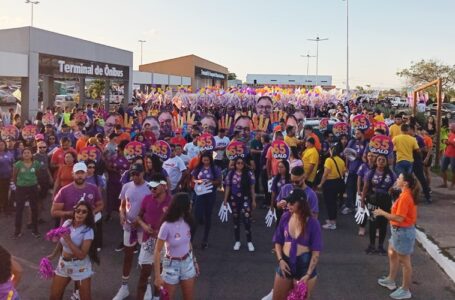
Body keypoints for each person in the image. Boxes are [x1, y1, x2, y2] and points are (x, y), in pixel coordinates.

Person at [374, 173, 419, 300]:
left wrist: (382, 213)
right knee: (392, 252)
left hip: (402, 232)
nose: (397, 179)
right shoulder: (405, 193)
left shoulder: (405, 196)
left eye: (399, 178)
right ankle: (390, 280)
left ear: (405, 183)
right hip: (398, 232)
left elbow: (399, 218)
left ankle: (405, 290)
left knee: (404, 261)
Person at [272, 189, 322, 299]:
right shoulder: (285, 217)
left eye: (292, 202)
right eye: (288, 201)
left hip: (304, 268)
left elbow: (316, 253)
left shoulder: (313, 223)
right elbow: (278, 241)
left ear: (302, 203)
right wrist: (280, 260)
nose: (288, 205)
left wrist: (308, 274)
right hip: (285, 264)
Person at [113, 164, 151, 300]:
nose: (134, 176)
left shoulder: (149, 188)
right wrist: (122, 214)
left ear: (143, 173)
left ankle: (147, 286)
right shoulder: (126, 186)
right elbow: (122, 205)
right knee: (128, 256)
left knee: (146, 260)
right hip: (129, 227)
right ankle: (124, 287)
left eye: (137, 174)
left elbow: (151, 210)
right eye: (132, 174)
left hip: (144, 229)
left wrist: (141, 221)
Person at [49, 201, 99, 300]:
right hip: (63, 265)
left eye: (84, 212)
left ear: (88, 215)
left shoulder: (88, 231)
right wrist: (53, 255)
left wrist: (68, 240)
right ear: (74, 212)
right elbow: (61, 240)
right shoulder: (67, 223)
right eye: (78, 211)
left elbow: (82, 255)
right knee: (54, 297)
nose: (80, 213)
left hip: (80, 267)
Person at [154, 193, 198, 300]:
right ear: (183, 206)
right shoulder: (166, 226)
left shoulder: (189, 221)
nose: (191, 205)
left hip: (187, 263)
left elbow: (188, 242)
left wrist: (194, 261)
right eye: (189, 203)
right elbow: (157, 251)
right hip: (170, 266)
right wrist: (157, 276)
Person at [136, 174, 172, 300]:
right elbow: (138, 216)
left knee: (160, 275)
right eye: (150, 188)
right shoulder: (147, 199)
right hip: (148, 241)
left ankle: (156, 297)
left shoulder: (172, 202)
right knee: (144, 274)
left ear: (163, 187)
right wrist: (144, 226)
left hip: (164, 244)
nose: (151, 191)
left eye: (155, 188)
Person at [361, 155, 397, 255]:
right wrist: (362, 200)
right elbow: (365, 187)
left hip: (386, 201)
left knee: (383, 224)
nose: (381, 162)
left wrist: (392, 189)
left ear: (386, 162)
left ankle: (381, 246)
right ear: (376, 162)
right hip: (373, 201)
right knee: (373, 223)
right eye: (379, 160)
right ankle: (372, 245)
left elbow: (397, 184)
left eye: (383, 160)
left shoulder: (391, 174)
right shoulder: (370, 173)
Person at [223, 157, 257, 251]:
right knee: (235, 221)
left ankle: (249, 241)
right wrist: (225, 200)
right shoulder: (231, 173)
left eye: (242, 163)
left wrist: (254, 200)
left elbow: (252, 188)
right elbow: (228, 187)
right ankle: (237, 241)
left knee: (247, 220)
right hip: (234, 199)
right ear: (235, 164)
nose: (240, 164)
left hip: (245, 199)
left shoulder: (249, 174)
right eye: (238, 163)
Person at [191, 151, 221, 249]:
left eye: (207, 160)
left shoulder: (215, 169)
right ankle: (190, 239)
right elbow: (193, 178)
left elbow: (219, 181)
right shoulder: (198, 168)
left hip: (210, 194)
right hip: (199, 194)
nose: (206, 162)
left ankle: (205, 239)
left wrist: (210, 182)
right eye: (204, 160)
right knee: (196, 216)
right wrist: (198, 181)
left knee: (208, 216)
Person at [12, 147, 41, 239]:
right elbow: (14, 177)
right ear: (22, 155)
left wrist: (35, 183)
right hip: (21, 188)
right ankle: (17, 231)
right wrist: (19, 185)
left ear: (31, 154)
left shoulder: (36, 164)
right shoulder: (18, 164)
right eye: (25, 153)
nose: (27, 154)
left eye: (28, 152)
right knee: (19, 210)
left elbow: (37, 174)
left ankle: (35, 230)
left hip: (33, 187)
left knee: (34, 209)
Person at [317, 146, 346, 230]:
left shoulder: (329, 160)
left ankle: (332, 222)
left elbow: (325, 174)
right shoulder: (341, 160)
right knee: (333, 202)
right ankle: (332, 220)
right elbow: (344, 171)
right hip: (339, 182)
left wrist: (321, 184)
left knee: (330, 203)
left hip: (330, 183)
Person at [343, 129, 367, 215]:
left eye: (358, 133)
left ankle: (360, 206)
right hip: (352, 169)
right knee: (350, 188)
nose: (356, 135)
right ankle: (350, 206)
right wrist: (346, 166)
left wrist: (359, 156)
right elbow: (347, 154)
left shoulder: (366, 143)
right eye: (355, 133)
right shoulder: (352, 142)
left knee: (360, 189)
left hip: (363, 171)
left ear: (363, 134)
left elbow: (367, 156)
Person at [356, 151, 377, 236]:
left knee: (374, 210)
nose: (370, 157)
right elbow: (359, 178)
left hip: (374, 191)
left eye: (372, 156)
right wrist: (358, 189)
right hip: (364, 190)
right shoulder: (363, 166)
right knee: (363, 209)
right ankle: (362, 227)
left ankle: (375, 228)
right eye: (369, 156)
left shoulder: (377, 167)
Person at [34, 140, 53, 223]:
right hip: (37, 180)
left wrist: (50, 177)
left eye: (44, 147)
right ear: (37, 147)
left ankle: (39, 217)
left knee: (42, 199)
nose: (42, 149)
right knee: (37, 200)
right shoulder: (34, 156)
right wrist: (36, 183)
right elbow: (32, 170)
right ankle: (35, 218)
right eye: (40, 147)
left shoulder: (46, 156)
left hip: (45, 180)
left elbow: (47, 167)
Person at [270, 160, 291, 224]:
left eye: (282, 167)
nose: (279, 169)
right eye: (278, 167)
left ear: (286, 168)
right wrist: (272, 205)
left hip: (288, 203)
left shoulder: (290, 178)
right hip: (278, 203)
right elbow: (273, 192)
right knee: (279, 221)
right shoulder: (276, 178)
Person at [0, 140, 14, 214]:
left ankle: (5, 207)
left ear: (5, 145)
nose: (1, 146)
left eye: (2, 144)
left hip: (7, 177)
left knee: (6, 193)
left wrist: (12, 175)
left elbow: (12, 164)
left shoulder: (9, 153)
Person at [440, 123, 455, 189]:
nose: (449, 128)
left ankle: (452, 185)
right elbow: (447, 142)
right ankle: (445, 184)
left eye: (451, 127)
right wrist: (445, 142)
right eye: (450, 127)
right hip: (447, 154)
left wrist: (450, 143)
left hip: (453, 155)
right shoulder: (450, 134)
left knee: (453, 170)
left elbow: (452, 144)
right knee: (443, 168)